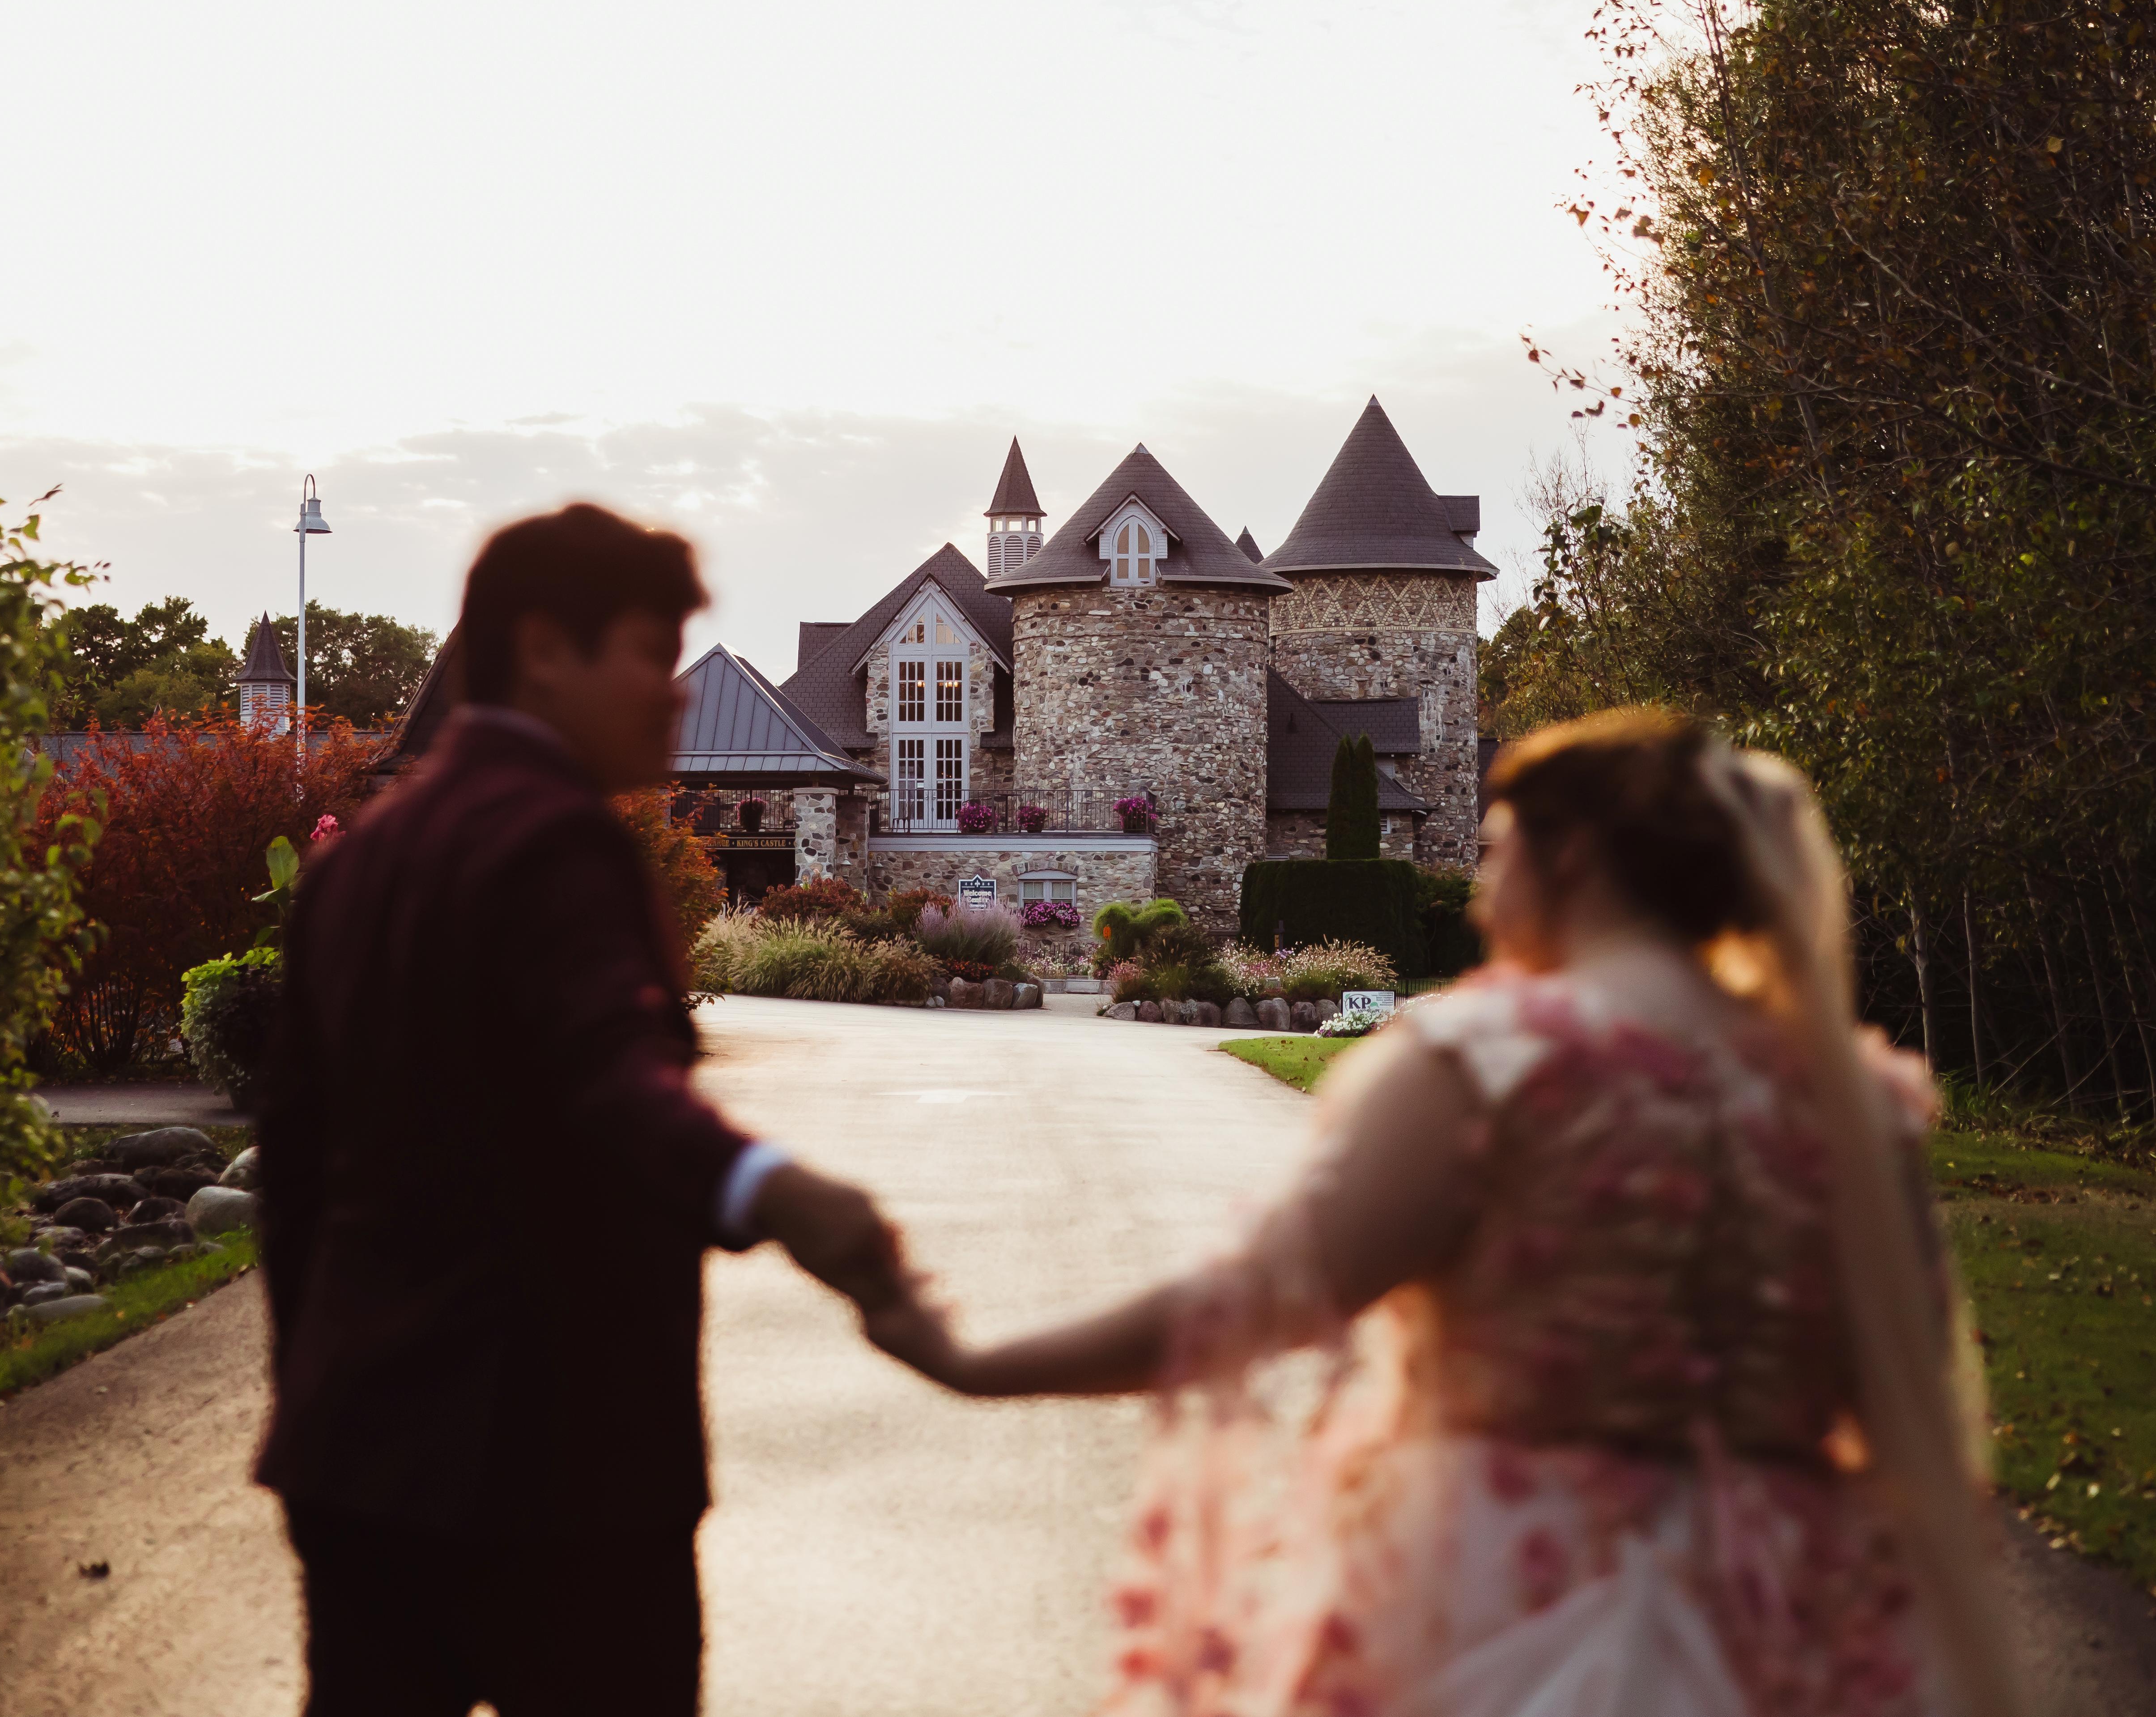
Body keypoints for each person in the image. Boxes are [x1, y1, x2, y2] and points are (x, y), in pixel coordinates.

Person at [882, 710, 2025, 1717]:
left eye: (1493, 848)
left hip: (1518, 1593)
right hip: (1795, 1613)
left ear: (1570, 856)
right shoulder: (1844, 1100)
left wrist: (977, 1362)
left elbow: (1262, 1298)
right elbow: (1899, 1375)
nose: (1478, 886)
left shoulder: (1493, 1060)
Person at [255, 504, 926, 1717]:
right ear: (544, 652)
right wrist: (775, 1191)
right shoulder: (557, 841)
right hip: (562, 1474)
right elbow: (606, 1081)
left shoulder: (351, 870)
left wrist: (317, 1388)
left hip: (357, 1462)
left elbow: (293, 1181)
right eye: (649, 654)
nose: (675, 695)